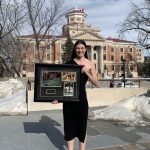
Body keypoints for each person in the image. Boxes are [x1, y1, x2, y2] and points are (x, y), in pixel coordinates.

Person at [52, 39, 98, 150]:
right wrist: (58, 99)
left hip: (82, 100)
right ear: (75, 49)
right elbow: (62, 84)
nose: (80, 50)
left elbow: (96, 82)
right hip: (69, 101)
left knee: (82, 127)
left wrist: (86, 71)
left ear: (85, 49)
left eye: (82, 48)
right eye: (77, 48)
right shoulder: (68, 64)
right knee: (69, 127)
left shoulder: (90, 64)